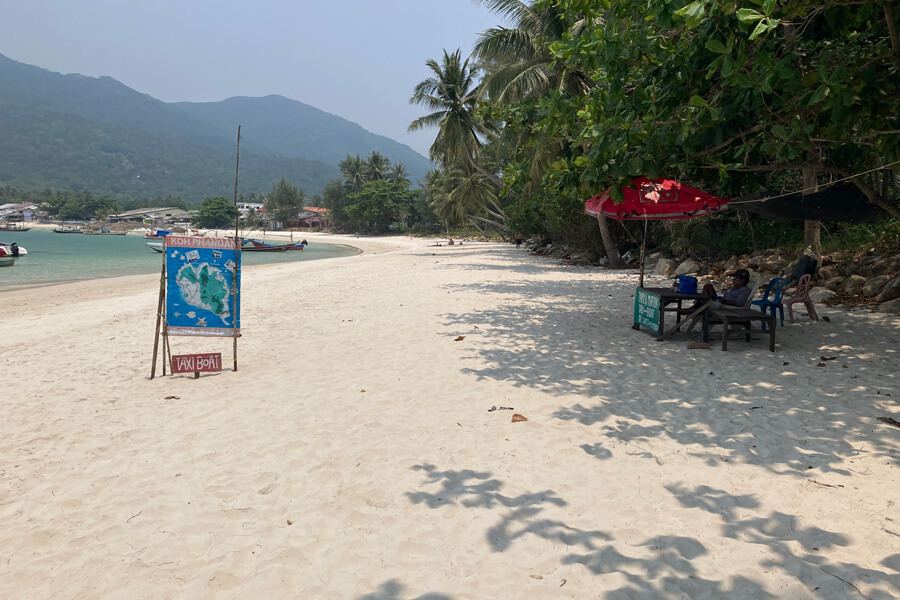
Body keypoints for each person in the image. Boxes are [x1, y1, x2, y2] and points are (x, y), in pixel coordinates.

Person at [686, 268, 752, 340]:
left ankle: (695, 309)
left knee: (705, 302)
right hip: (722, 302)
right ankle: (696, 307)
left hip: (726, 306)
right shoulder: (735, 288)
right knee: (708, 286)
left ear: (742, 280)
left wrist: (724, 301)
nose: (733, 280)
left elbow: (738, 303)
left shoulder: (744, 291)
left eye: (736, 279)